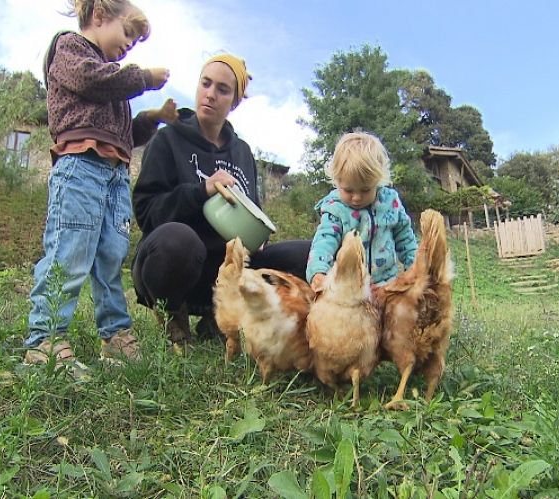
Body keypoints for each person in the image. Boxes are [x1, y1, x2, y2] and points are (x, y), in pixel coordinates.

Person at [24, 0, 177, 366]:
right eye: (127, 33)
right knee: (69, 252)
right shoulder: (71, 49)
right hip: (81, 169)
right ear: (98, 16)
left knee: (109, 257)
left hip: (114, 175)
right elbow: (92, 80)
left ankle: (115, 336)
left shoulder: (111, 81)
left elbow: (124, 134)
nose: (128, 46)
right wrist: (142, 78)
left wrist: (152, 118)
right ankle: (45, 341)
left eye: (135, 42)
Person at [132, 54, 310, 344]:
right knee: (178, 239)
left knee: (307, 254)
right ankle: (174, 318)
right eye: (206, 84)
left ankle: (219, 319)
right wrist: (201, 191)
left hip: (225, 274)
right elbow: (147, 212)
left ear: (234, 102)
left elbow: (252, 210)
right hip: (171, 262)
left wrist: (259, 235)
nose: (211, 94)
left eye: (222, 90)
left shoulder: (242, 153)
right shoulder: (168, 139)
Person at [306, 131, 418, 291]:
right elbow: (324, 241)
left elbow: (405, 239)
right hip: (349, 290)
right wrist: (318, 270)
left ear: (378, 181)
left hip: (387, 285)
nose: (357, 197)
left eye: (365, 190)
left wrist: (415, 268)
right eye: (348, 190)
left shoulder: (390, 203)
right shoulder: (335, 208)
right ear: (337, 182)